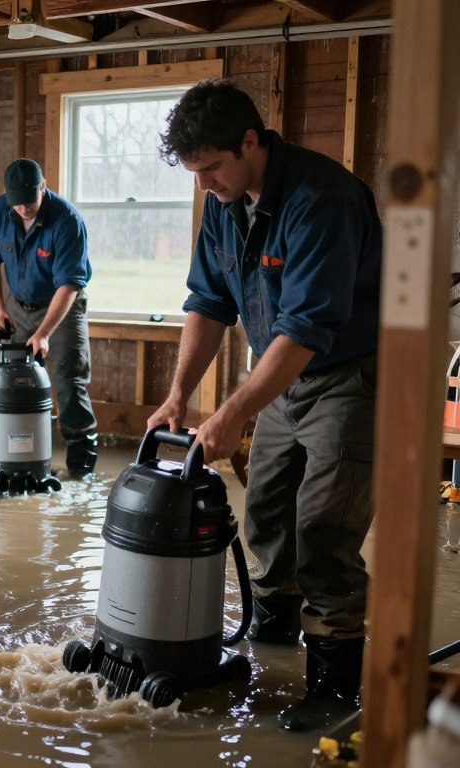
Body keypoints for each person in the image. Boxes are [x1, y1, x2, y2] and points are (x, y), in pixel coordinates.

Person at [149, 79, 381, 732]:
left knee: (324, 533)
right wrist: (179, 396)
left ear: (251, 142)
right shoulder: (226, 204)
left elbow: (307, 330)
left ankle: (336, 688)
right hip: (280, 379)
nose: (203, 185)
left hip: (347, 379)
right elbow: (208, 302)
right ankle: (272, 640)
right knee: (268, 515)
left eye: (211, 168)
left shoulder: (320, 199)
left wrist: (232, 414)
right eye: (194, 173)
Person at [0, 158, 99, 479]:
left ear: (43, 187)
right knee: (16, 384)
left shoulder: (67, 219)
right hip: (17, 305)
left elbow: (70, 283)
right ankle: (20, 460)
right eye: (17, 205)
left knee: (69, 383)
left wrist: (44, 333)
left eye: (29, 203)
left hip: (62, 305)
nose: (24, 210)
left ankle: (81, 470)